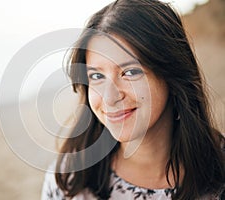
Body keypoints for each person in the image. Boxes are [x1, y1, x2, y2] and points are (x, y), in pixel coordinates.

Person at [41, 0, 225, 199]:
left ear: (172, 73)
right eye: (97, 76)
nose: (110, 98)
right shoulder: (69, 181)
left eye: (130, 72)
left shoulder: (219, 174)